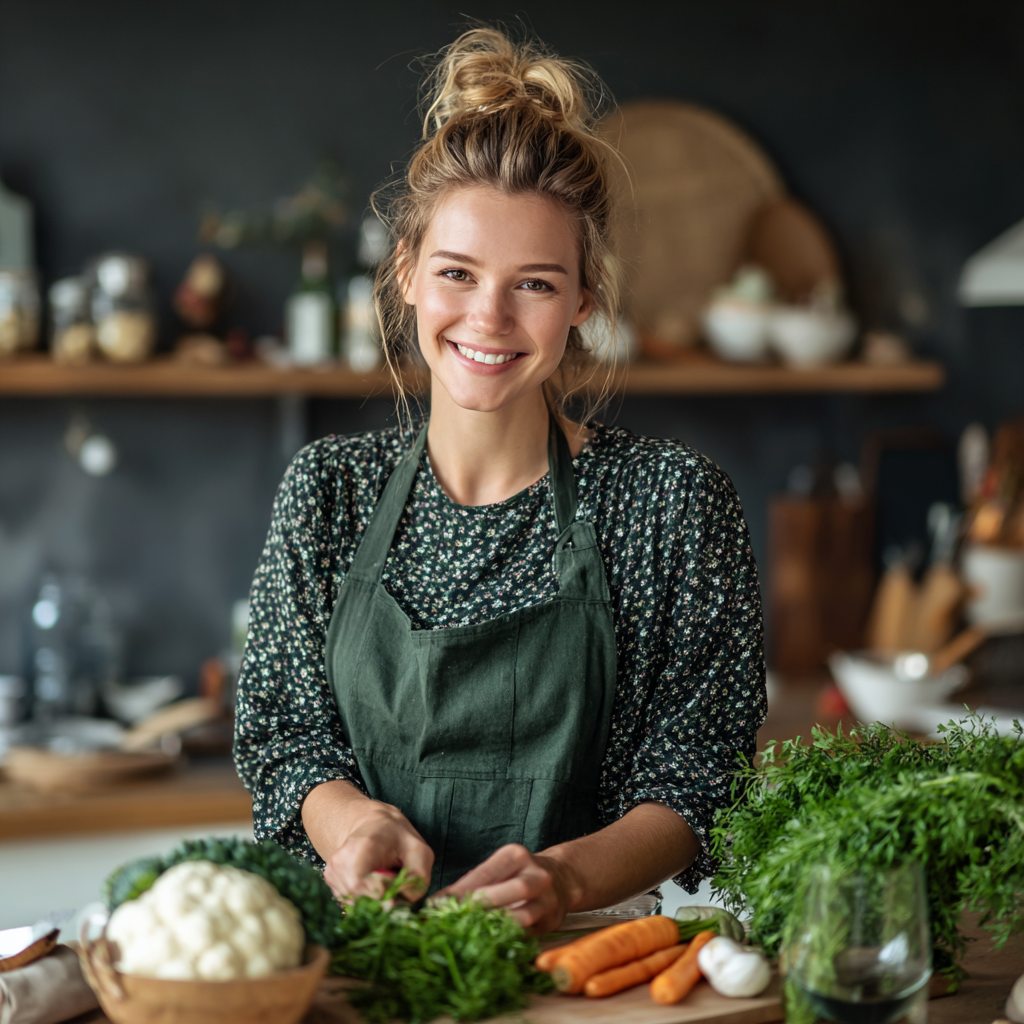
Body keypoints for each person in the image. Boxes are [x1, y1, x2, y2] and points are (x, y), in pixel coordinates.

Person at [234, 27, 766, 935]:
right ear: (405, 275)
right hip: (372, 953)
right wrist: (357, 825)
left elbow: (698, 775)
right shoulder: (328, 491)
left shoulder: (672, 504)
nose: (489, 317)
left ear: (585, 302)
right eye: (456, 273)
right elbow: (283, 735)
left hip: (590, 959)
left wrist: (558, 881)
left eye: (536, 284)